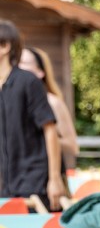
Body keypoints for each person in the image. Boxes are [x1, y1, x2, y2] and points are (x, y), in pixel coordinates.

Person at [0, 20, 64, 211]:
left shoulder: (28, 82)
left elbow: (50, 130)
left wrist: (54, 179)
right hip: (5, 186)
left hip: (34, 181)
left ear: (5, 46)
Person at [18, 46, 78, 170]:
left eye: (23, 63)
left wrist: (43, 138)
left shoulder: (53, 102)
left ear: (41, 72)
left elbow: (73, 146)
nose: (18, 67)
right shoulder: (12, 102)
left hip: (46, 174)